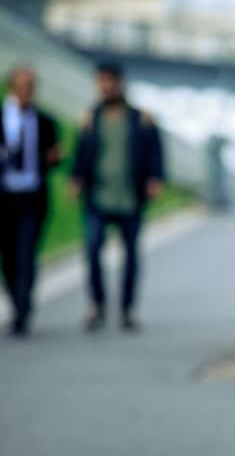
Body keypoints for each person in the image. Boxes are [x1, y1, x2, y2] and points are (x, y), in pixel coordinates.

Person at [70, 61, 164, 332]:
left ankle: (127, 308)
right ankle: (96, 304)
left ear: (120, 83)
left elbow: (155, 151)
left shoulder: (140, 118)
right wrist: (76, 178)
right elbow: (82, 153)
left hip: (129, 196)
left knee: (131, 255)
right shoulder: (91, 117)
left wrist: (155, 178)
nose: (106, 86)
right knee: (92, 249)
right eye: (102, 81)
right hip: (98, 196)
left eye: (111, 81)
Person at [0, 66, 60, 337]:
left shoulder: (45, 121)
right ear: (12, 86)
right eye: (22, 85)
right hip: (5, 195)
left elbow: (53, 156)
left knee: (27, 253)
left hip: (33, 196)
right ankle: (15, 300)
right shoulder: (2, 118)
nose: (27, 91)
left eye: (31, 86)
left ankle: (24, 307)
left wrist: (55, 158)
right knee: (9, 256)